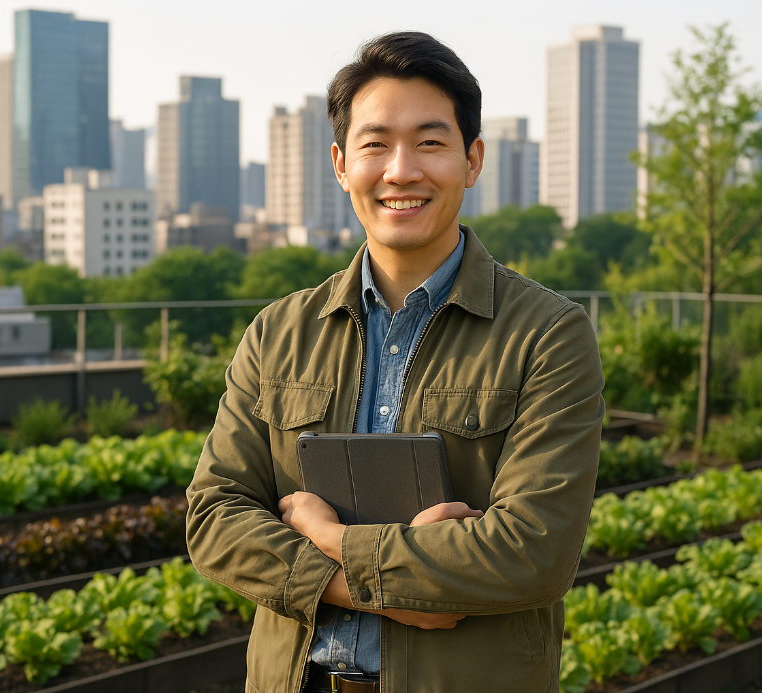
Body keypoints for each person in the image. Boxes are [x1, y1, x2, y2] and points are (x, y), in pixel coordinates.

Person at [186, 31, 604, 693]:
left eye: (430, 143)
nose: (401, 170)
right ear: (339, 163)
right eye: (375, 143)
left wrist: (332, 535)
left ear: (471, 160)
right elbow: (214, 517)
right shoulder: (279, 331)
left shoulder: (548, 334)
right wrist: (371, 587)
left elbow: (533, 552)